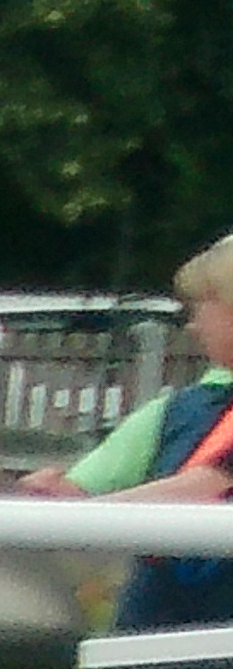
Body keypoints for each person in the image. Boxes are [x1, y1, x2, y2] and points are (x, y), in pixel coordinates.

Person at [36, 235, 233, 639]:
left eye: (200, 308)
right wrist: (64, 503)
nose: (192, 326)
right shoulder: (199, 407)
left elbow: (203, 486)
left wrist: (70, 519)